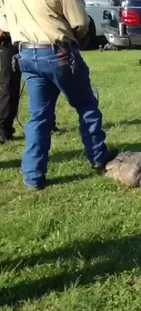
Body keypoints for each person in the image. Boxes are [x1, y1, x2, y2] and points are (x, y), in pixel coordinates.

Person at [2, 0, 118, 190]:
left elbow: (4, 23)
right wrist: (72, 39)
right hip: (57, 51)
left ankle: (33, 175)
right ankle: (98, 155)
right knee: (86, 104)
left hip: (27, 54)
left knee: (38, 116)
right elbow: (80, 22)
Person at [0, 2, 21, 144]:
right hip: (8, 36)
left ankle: (49, 122)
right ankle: (3, 128)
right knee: (9, 83)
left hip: (29, 34)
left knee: (43, 80)